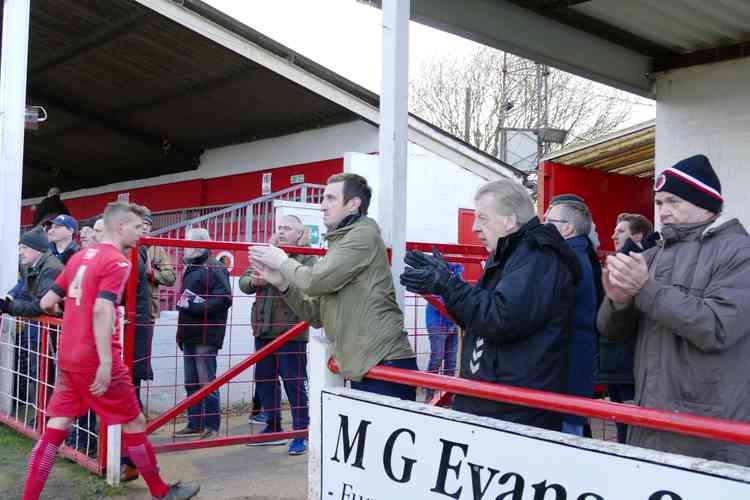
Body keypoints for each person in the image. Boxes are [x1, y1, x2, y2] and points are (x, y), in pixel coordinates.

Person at [26, 201, 199, 500]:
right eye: (136, 227)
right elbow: (103, 309)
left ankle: (29, 495)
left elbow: (45, 303)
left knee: (57, 425)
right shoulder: (119, 262)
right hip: (95, 357)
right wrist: (106, 362)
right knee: (135, 421)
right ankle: (160, 491)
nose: (141, 233)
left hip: (68, 354)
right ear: (120, 228)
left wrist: (74, 312)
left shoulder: (79, 257)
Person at [598, 154, 750, 466]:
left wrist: (646, 289)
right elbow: (611, 331)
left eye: (674, 202)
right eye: (659, 203)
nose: (663, 212)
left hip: (708, 431)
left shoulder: (739, 252)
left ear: (706, 204)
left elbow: (717, 327)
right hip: (651, 421)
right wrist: (618, 301)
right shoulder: (651, 256)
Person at [401, 179, 580, 431]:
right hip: (493, 402)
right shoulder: (510, 255)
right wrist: (446, 286)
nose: (474, 227)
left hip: (514, 411)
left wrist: (449, 285)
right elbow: (477, 319)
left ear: (510, 220)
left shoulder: (538, 258)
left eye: (483, 218)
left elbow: (500, 318)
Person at [250, 173, 417, 400]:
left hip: (385, 362)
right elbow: (316, 315)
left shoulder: (362, 237)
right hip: (366, 364)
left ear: (353, 205)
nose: (322, 206)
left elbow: (312, 281)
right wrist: (282, 283)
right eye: (323, 198)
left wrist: (281, 261)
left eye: (330, 198)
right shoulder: (340, 242)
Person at [239, 215, 316, 455]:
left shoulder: (307, 257)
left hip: (291, 332)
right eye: (279, 228)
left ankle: (301, 434)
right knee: (264, 381)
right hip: (263, 329)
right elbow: (243, 282)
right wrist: (255, 280)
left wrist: (281, 276)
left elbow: (310, 286)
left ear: (299, 233)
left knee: (294, 384)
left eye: (287, 228)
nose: (281, 232)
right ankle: (273, 428)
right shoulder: (265, 253)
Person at [599, 212, 657, 444]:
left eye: (620, 231)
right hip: (616, 363)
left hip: (628, 365)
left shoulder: (639, 265)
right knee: (620, 423)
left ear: (637, 236)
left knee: (630, 429)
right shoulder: (619, 262)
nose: (613, 235)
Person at [545, 200, 599, 436]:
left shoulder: (568, 261)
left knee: (565, 438)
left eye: (549, 222)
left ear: (567, 228)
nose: (544, 226)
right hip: (575, 365)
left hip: (566, 366)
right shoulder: (580, 255)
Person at [174, 228, 232, 440]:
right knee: (191, 381)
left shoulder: (214, 266)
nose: (184, 247)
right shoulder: (194, 266)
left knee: (207, 381)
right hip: (190, 333)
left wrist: (195, 307)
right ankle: (195, 423)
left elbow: (224, 298)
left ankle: (212, 426)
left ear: (200, 244)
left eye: (188, 243)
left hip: (206, 335)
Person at [423, 262, 463, 402]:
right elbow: (442, 298)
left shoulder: (457, 274)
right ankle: (430, 394)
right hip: (438, 321)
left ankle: (448, 394)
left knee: (451, 361)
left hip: (451, 322)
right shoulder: (440, 274)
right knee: (437, 358)